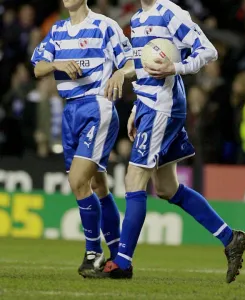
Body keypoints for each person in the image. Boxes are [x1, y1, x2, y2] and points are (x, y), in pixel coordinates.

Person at [102, 0, 245, 283]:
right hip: (149, 105)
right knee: (168, 187)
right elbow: (143, 68)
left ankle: (122, 262)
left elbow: (209, 51)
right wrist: (135, 110)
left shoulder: (170, 12)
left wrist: (177, 67)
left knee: (134, 180)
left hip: (163, 107)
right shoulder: (137, 19)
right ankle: (231, 239)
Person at [31, 0, 135, 278]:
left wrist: (118, 73)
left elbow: (131, 63)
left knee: (78, 181)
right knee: (97, 184)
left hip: (96, 106)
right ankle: (118, 258)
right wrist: (56, 63)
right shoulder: (58, 30)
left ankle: (94, 253)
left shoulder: (104, 26)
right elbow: (37, 68)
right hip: (70, 111)